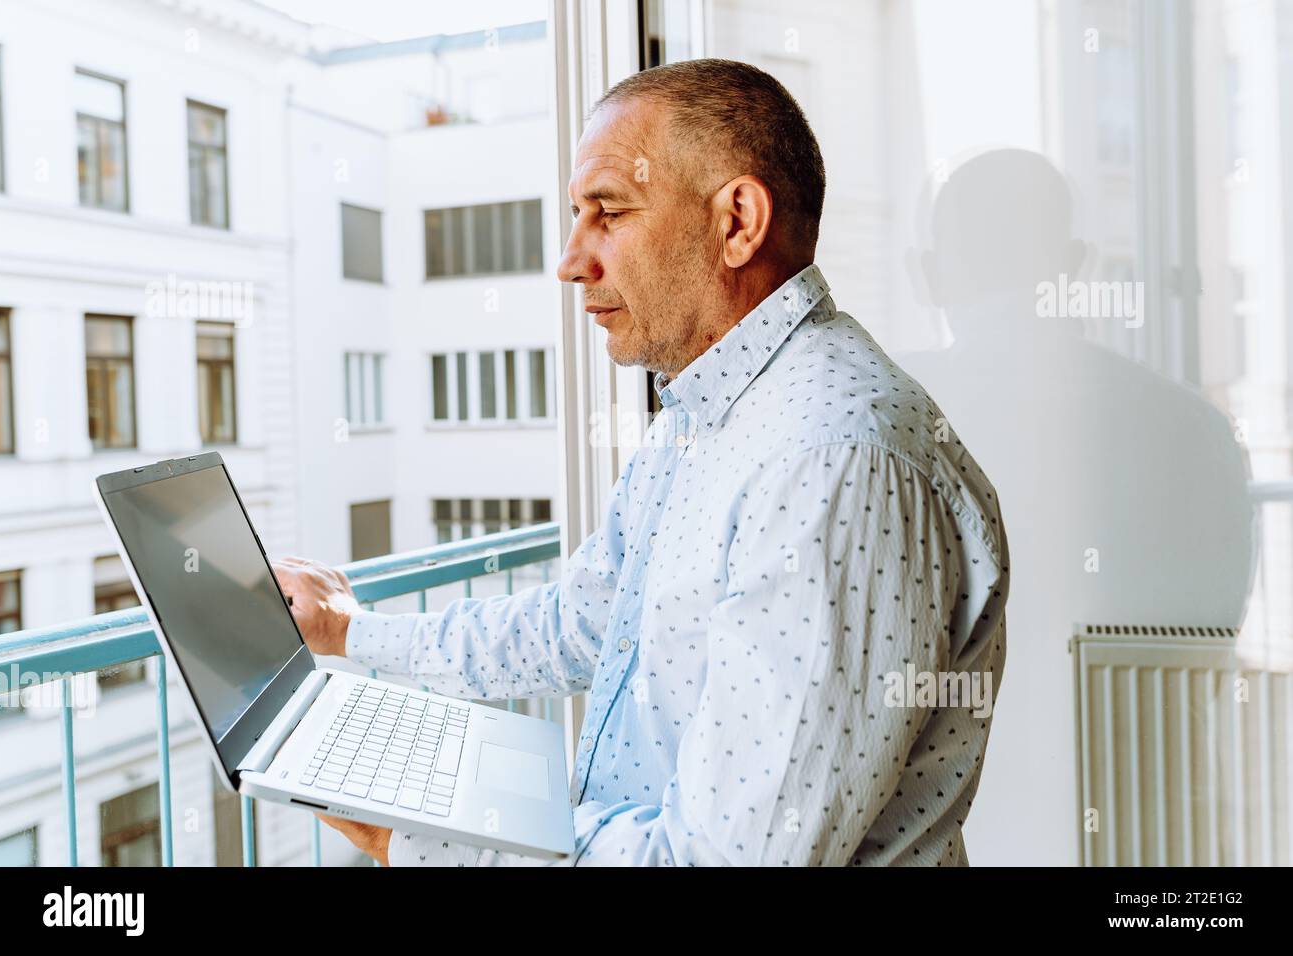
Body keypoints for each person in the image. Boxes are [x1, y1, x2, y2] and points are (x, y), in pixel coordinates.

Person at [273, 58, 1009, 866]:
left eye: (608, 213)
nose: (570, 260)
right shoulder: (703, 410)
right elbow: (581, 624)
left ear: (737, 222)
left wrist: (425, 842)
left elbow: (731, 861)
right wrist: (354, 632)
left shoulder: (829, 463)